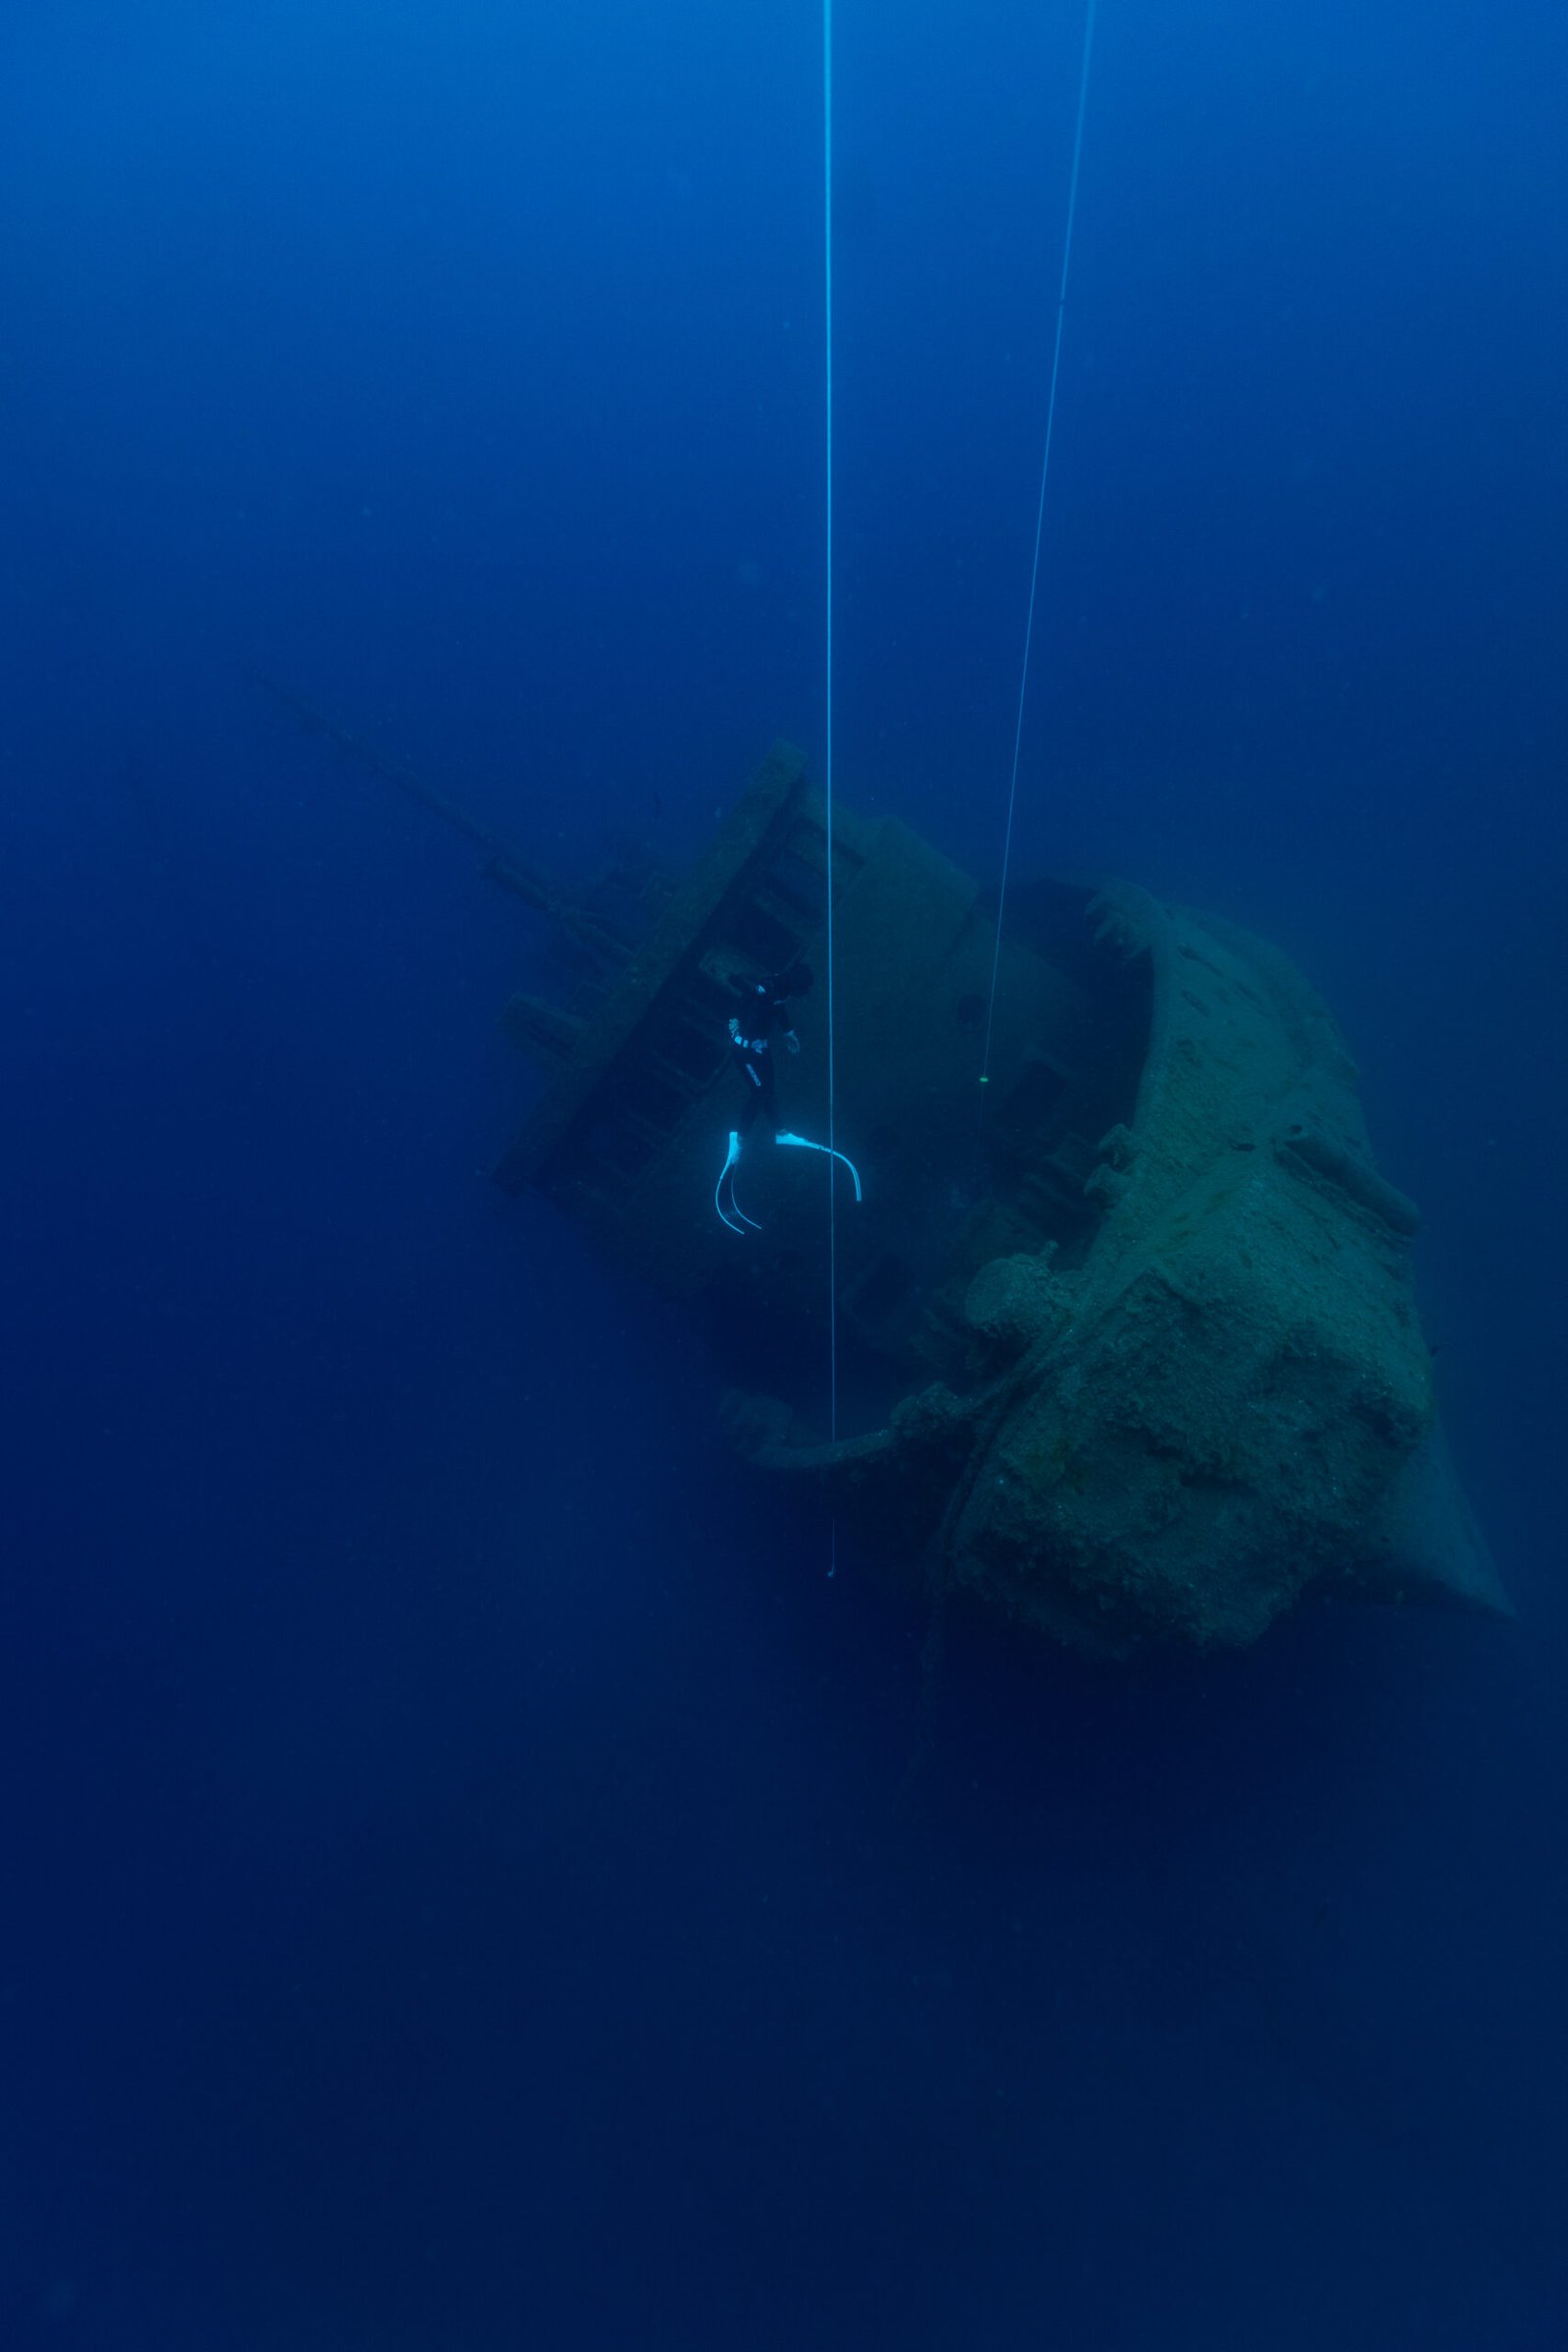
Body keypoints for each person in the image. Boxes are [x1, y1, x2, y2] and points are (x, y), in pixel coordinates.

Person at [714, 966, 862, 1233]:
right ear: (795, 985)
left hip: (760, 1047)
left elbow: (778, 1007)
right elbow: (736, 979)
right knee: (759, 1092)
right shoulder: (768, 988)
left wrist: (788, 1031)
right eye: (801, 991)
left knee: (769, 1088)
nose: (801, 995)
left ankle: (781, 1132)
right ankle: (738, 1142)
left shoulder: (780, 990)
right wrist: (746, 1001)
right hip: (744, 1051)